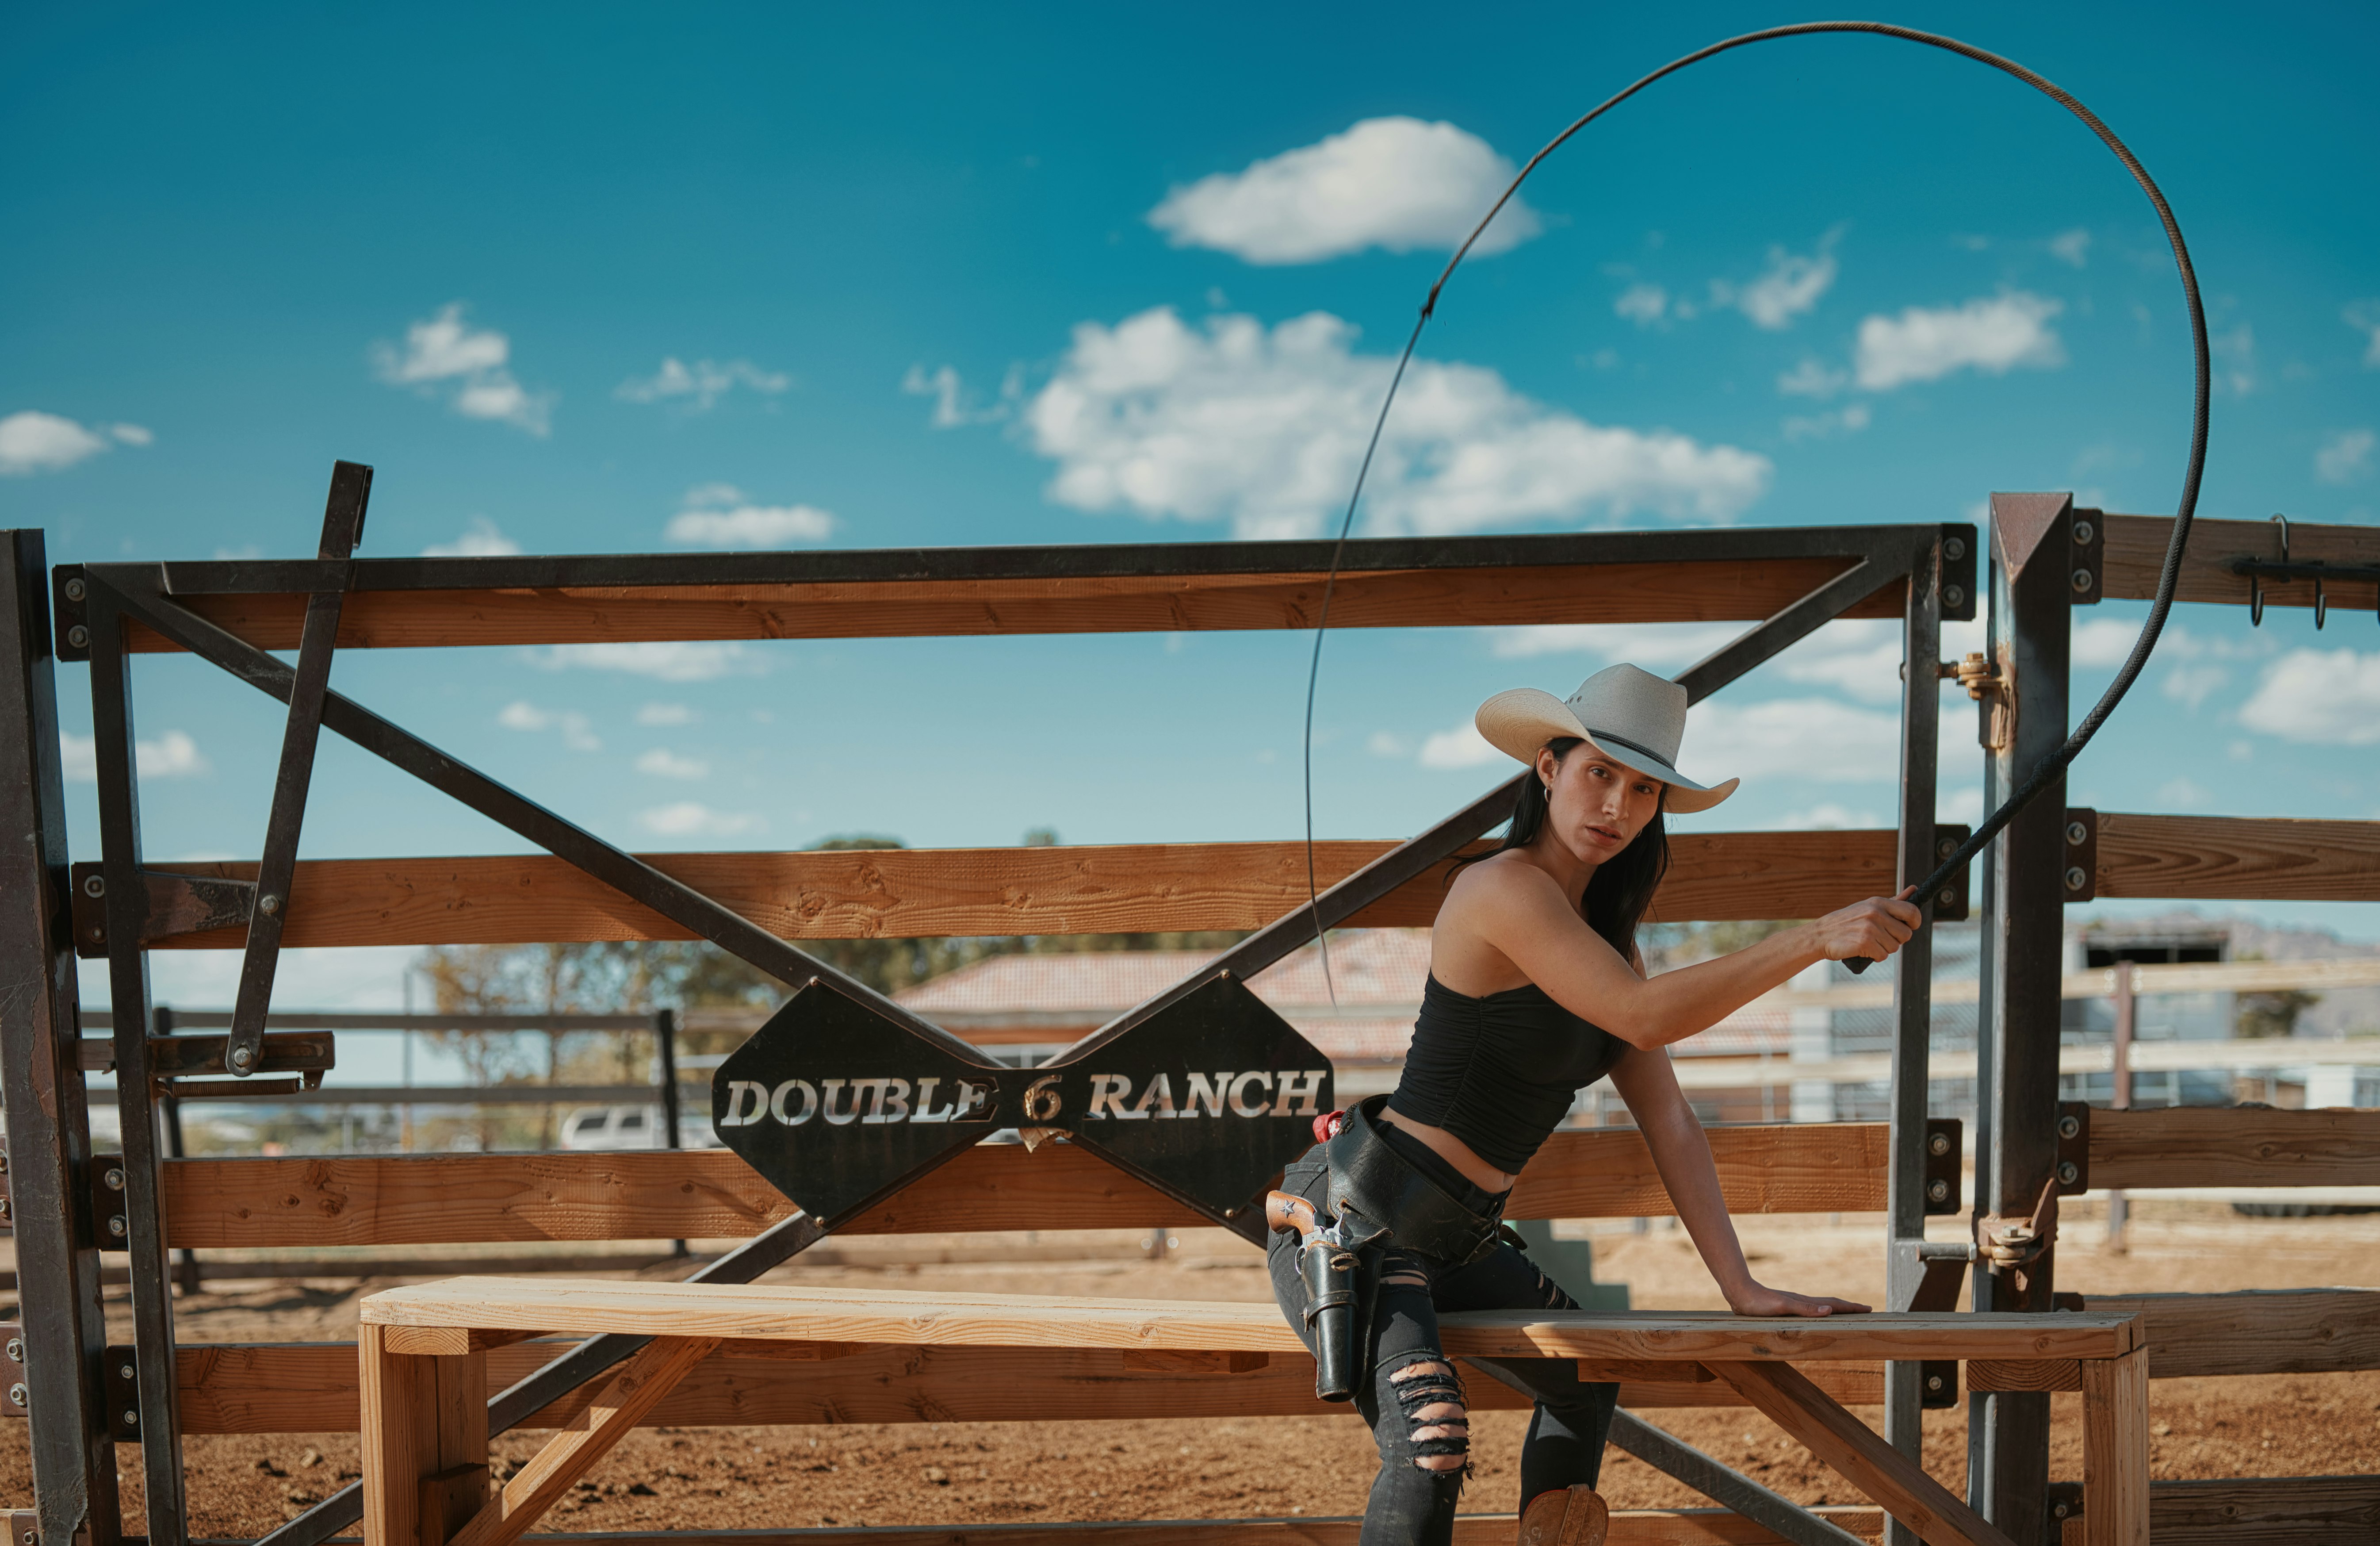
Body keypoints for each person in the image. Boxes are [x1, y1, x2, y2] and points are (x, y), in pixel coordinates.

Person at [1266, 664, 1923, 1546]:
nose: (1617, 804)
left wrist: (1742, 1284)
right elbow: (1641, 1016)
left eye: (1643, 788)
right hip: (1364, 1218)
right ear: (1548, 768)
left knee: (1592, 1365)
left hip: (1457, 1235)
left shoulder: (1609, 946)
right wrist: (1812, 937)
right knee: (1431, 1441)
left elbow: (1673, 1121)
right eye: (1599, 773)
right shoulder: (1500, 888)